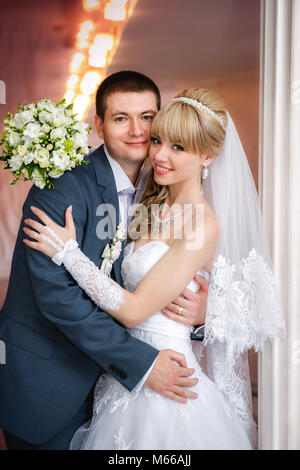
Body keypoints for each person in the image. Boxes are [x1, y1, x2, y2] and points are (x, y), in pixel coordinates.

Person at [22, 87, 286, 450]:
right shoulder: (150, 198)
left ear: (208, 156)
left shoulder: (202, 224)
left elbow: (133, 311)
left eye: (178, 148)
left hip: (167, 382)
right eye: (158, 140)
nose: (159, 154)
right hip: (119, 380)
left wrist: (70, 254)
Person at [0, 72, 207, 450]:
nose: (137, 130)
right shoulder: (60, 185)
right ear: (98, 124)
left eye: (146, 117)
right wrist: (143, 364)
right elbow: (57, 298)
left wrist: (200, 314)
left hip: (114, 388)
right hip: (50, 383)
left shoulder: (161, 187)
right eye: (120, 118)